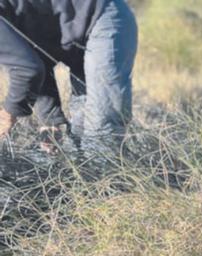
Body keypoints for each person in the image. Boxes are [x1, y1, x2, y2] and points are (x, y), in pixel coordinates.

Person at [0, 0, 138, 151]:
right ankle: (88, 169)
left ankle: (108, 173)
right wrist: (50, 120)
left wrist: (7, 114)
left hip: (99, 15)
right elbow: (32, 57)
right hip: (61, 29)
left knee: (101, 126)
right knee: (81, 123)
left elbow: (27, 70)